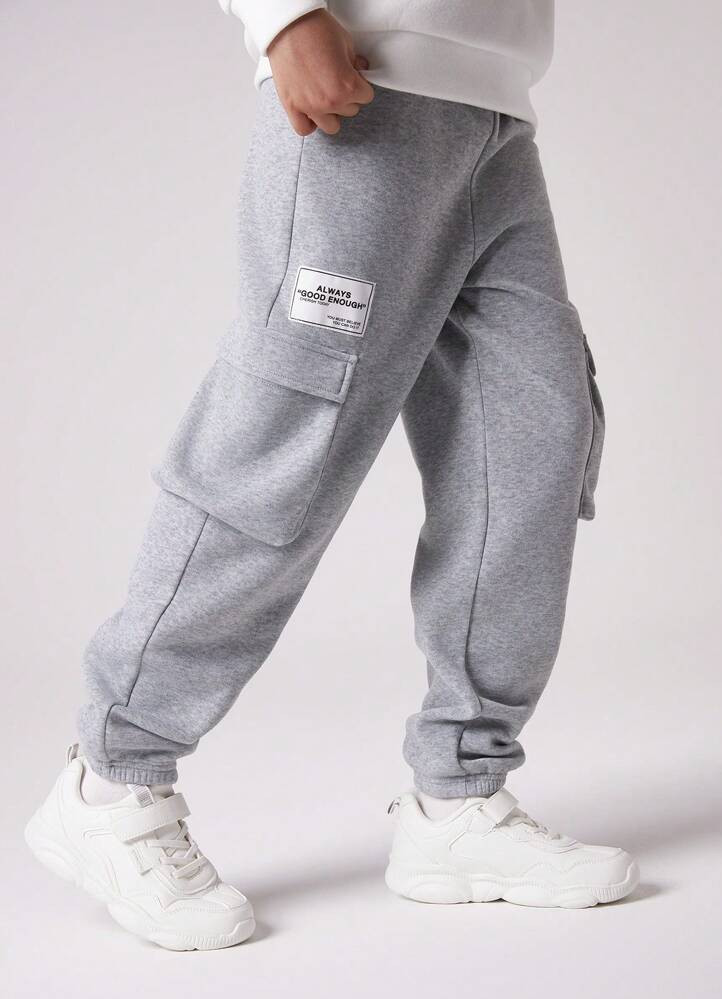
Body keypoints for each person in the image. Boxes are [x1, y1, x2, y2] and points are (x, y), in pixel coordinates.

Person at [25, 1, 638, 951]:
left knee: (526, 443)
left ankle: (458, 800)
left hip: (496, 112)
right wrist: (282, 13)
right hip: (362, 91)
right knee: (286, 444)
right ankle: (113, 779)